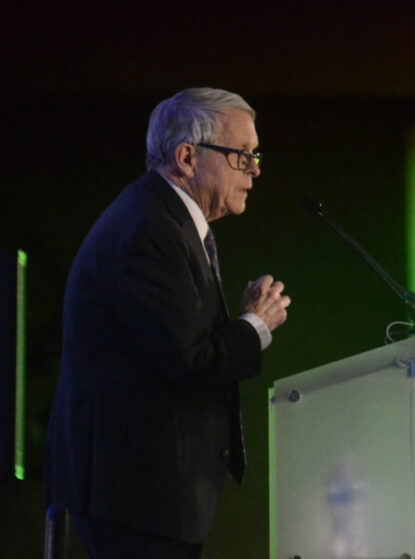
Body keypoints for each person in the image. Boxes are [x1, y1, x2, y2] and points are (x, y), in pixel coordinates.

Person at [45, 87, 291, 558]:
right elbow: (189, 358)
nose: (255, 169)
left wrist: (240, 322)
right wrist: (254, 325)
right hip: (136, 499)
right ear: (186, 156)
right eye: (242, 155)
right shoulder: (149, 229)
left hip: (145, 498)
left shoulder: (163, 219)